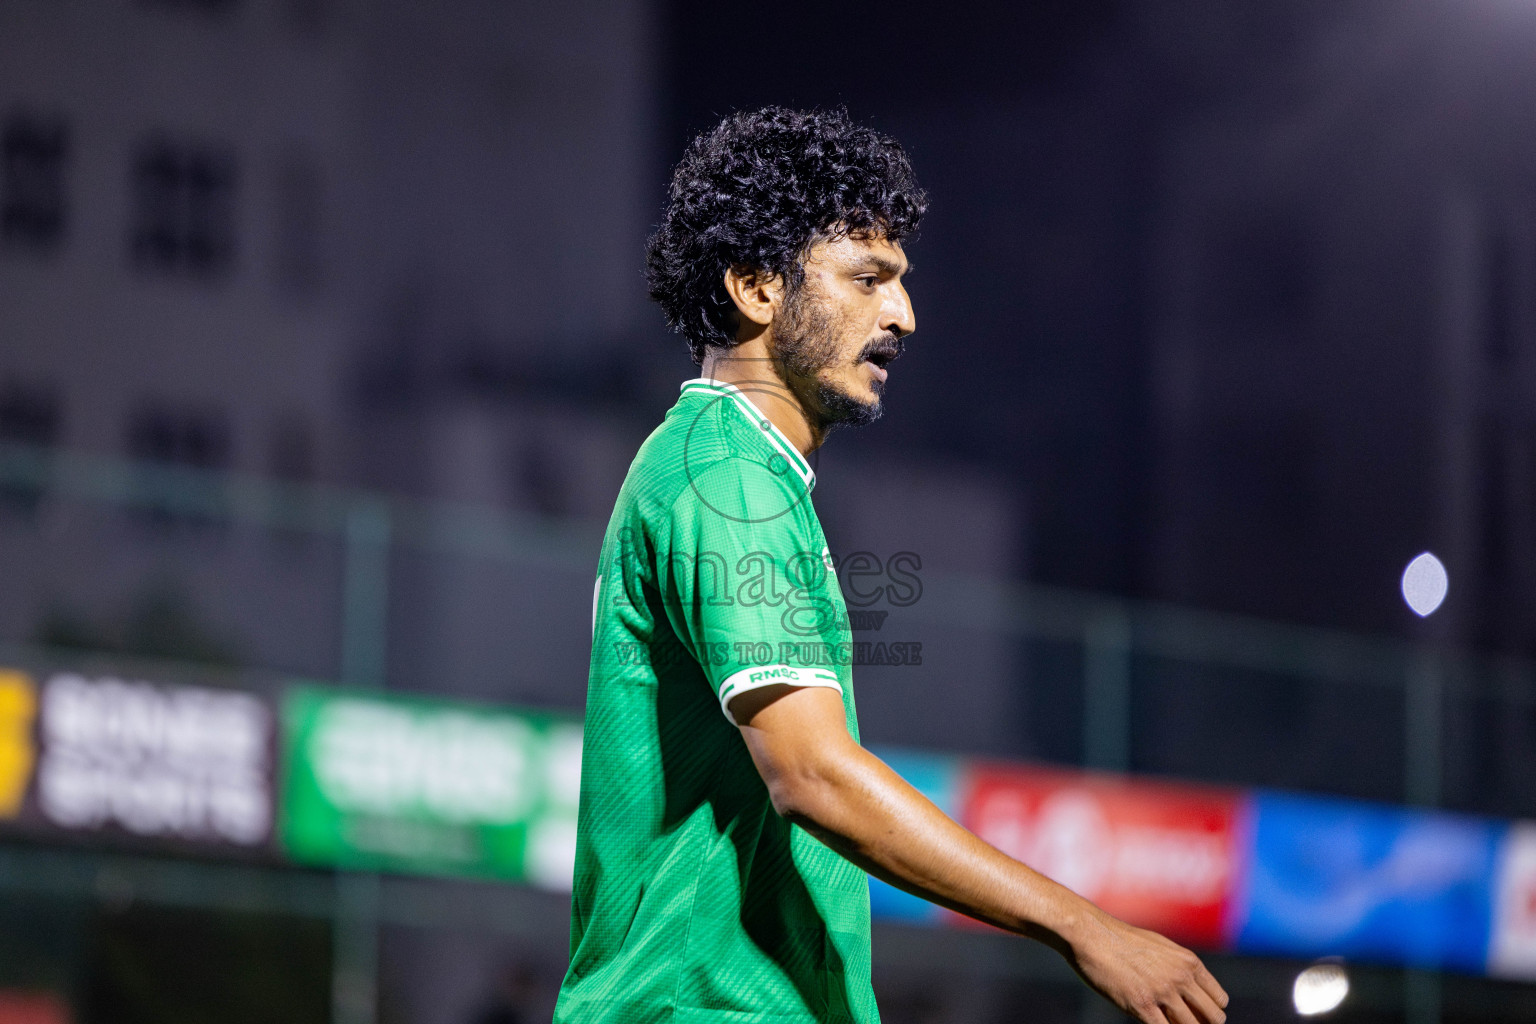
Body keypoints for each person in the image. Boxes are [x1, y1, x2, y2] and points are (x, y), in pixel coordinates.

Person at [552, 106, 1229, 1024]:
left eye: (900, 282)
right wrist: (1085, 928)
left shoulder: (724, 466)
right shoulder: (727, 478)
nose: (903, 315)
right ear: (756, 286)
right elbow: (813, 775)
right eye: (867, 278)